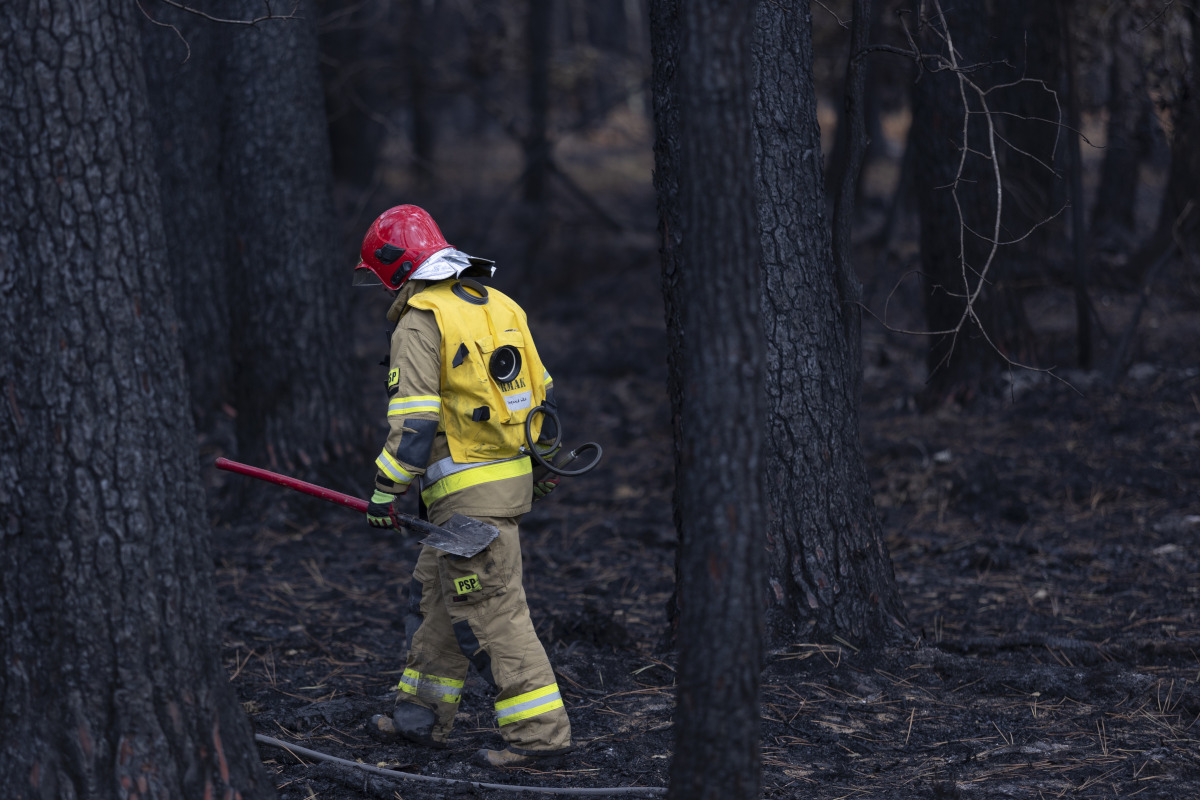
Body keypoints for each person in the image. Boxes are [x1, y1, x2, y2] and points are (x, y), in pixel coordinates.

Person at [354, 205, 570, 768]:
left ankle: (539, 737)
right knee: (438, 600)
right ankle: (419, 718)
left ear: (392, 270)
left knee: (492, 610)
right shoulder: (500, 305)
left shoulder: (421, 321)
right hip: (506, 483)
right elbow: (539, 394)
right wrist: (542, 468)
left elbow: (417, 422)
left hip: (468, 498)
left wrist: (386, 489)